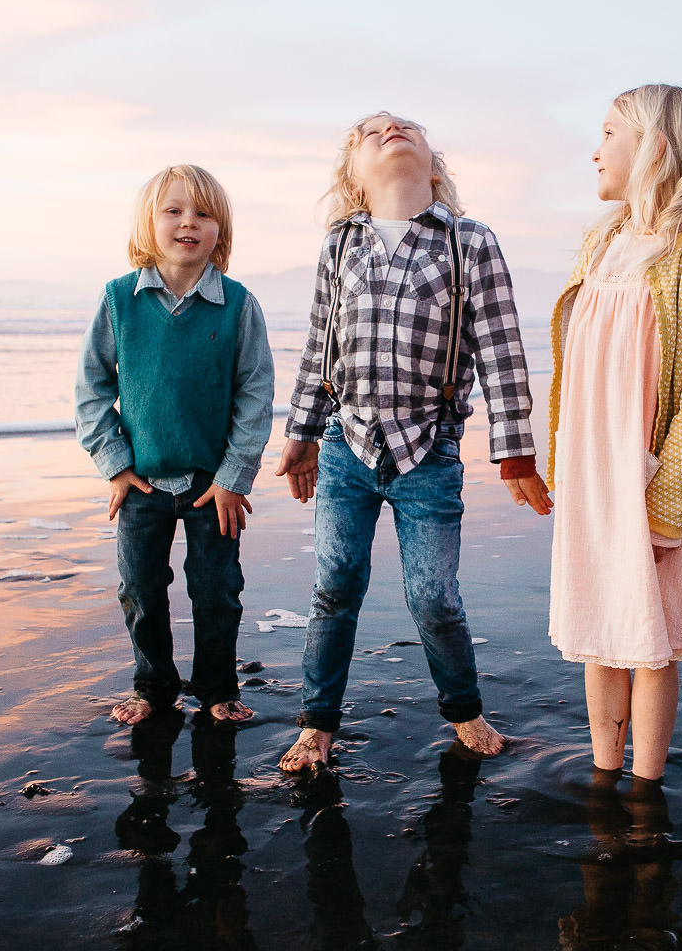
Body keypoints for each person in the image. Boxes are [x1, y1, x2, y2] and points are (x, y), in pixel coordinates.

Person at [275, 113, 551, 772]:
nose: (392, 128)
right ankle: (317, 723)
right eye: (373, 131)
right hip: (346, 445)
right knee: (335, 584)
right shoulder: (341, 244)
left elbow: (502, 351)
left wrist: (515, 450)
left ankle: (464, 708)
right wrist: (302, 433)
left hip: (429, 449)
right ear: (353, 177)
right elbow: (319, 348)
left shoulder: (468, 242)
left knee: (434, 596)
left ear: (434, 166)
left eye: (406, 127)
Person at [547, 84, 682, 787]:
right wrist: (563, 462)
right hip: (597, 470)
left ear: (656, 148)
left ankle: (646, 788)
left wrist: (668, 502)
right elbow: (578, 368)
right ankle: (604, 774)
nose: (594, 150)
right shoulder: (600, 242)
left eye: (609, 134)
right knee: (600, 625)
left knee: (650, 635)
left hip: (660, 473)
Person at [76, 164, 275, 726]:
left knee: (217, 591)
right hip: (141, 482)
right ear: (149, 223)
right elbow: (92, 388)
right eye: (174, 211)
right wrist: (115, 465)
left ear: (220, 231)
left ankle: (217, 689)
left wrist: (234, 477)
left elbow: (255, 394)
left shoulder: (238, 304)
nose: (189, 222)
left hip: (214, 485)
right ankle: (153, 687)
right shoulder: (120, 300)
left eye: (204, 214)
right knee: (140, 589)